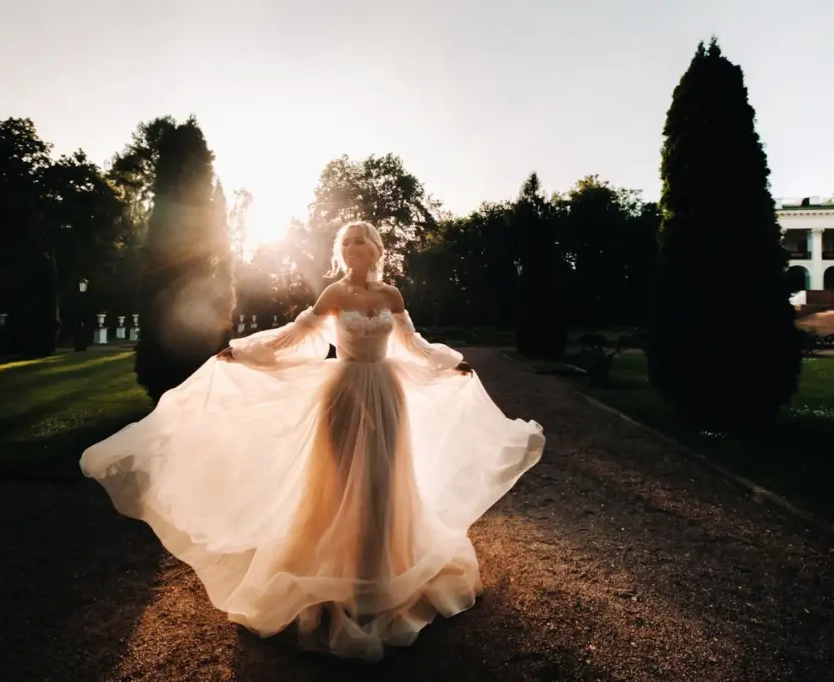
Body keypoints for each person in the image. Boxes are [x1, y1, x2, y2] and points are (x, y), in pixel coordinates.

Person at [80, 221, 545, 661]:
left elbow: (412, 344)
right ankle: (333, 578)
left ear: (375, 251)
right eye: (345, 245)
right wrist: (244, 352)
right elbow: (295, 336)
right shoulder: (334, 292)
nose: (351, 251)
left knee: (382, 481)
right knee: (337, 482)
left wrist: (448, 364)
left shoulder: (391, 294)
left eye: (359, 244)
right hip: (342, 394)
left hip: (385, 395)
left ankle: (378, 578)